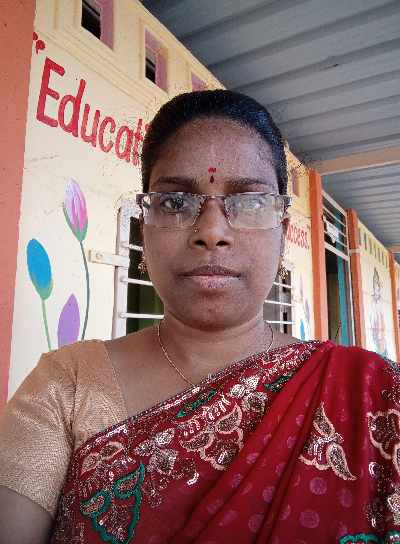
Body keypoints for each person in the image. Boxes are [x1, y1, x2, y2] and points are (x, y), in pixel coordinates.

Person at [0, 90, 399, 544]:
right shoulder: (66, 386)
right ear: (145, 228)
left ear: (282, 232)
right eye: (175, 202)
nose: (211, 232)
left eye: (249, 201)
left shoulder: (375, 394)